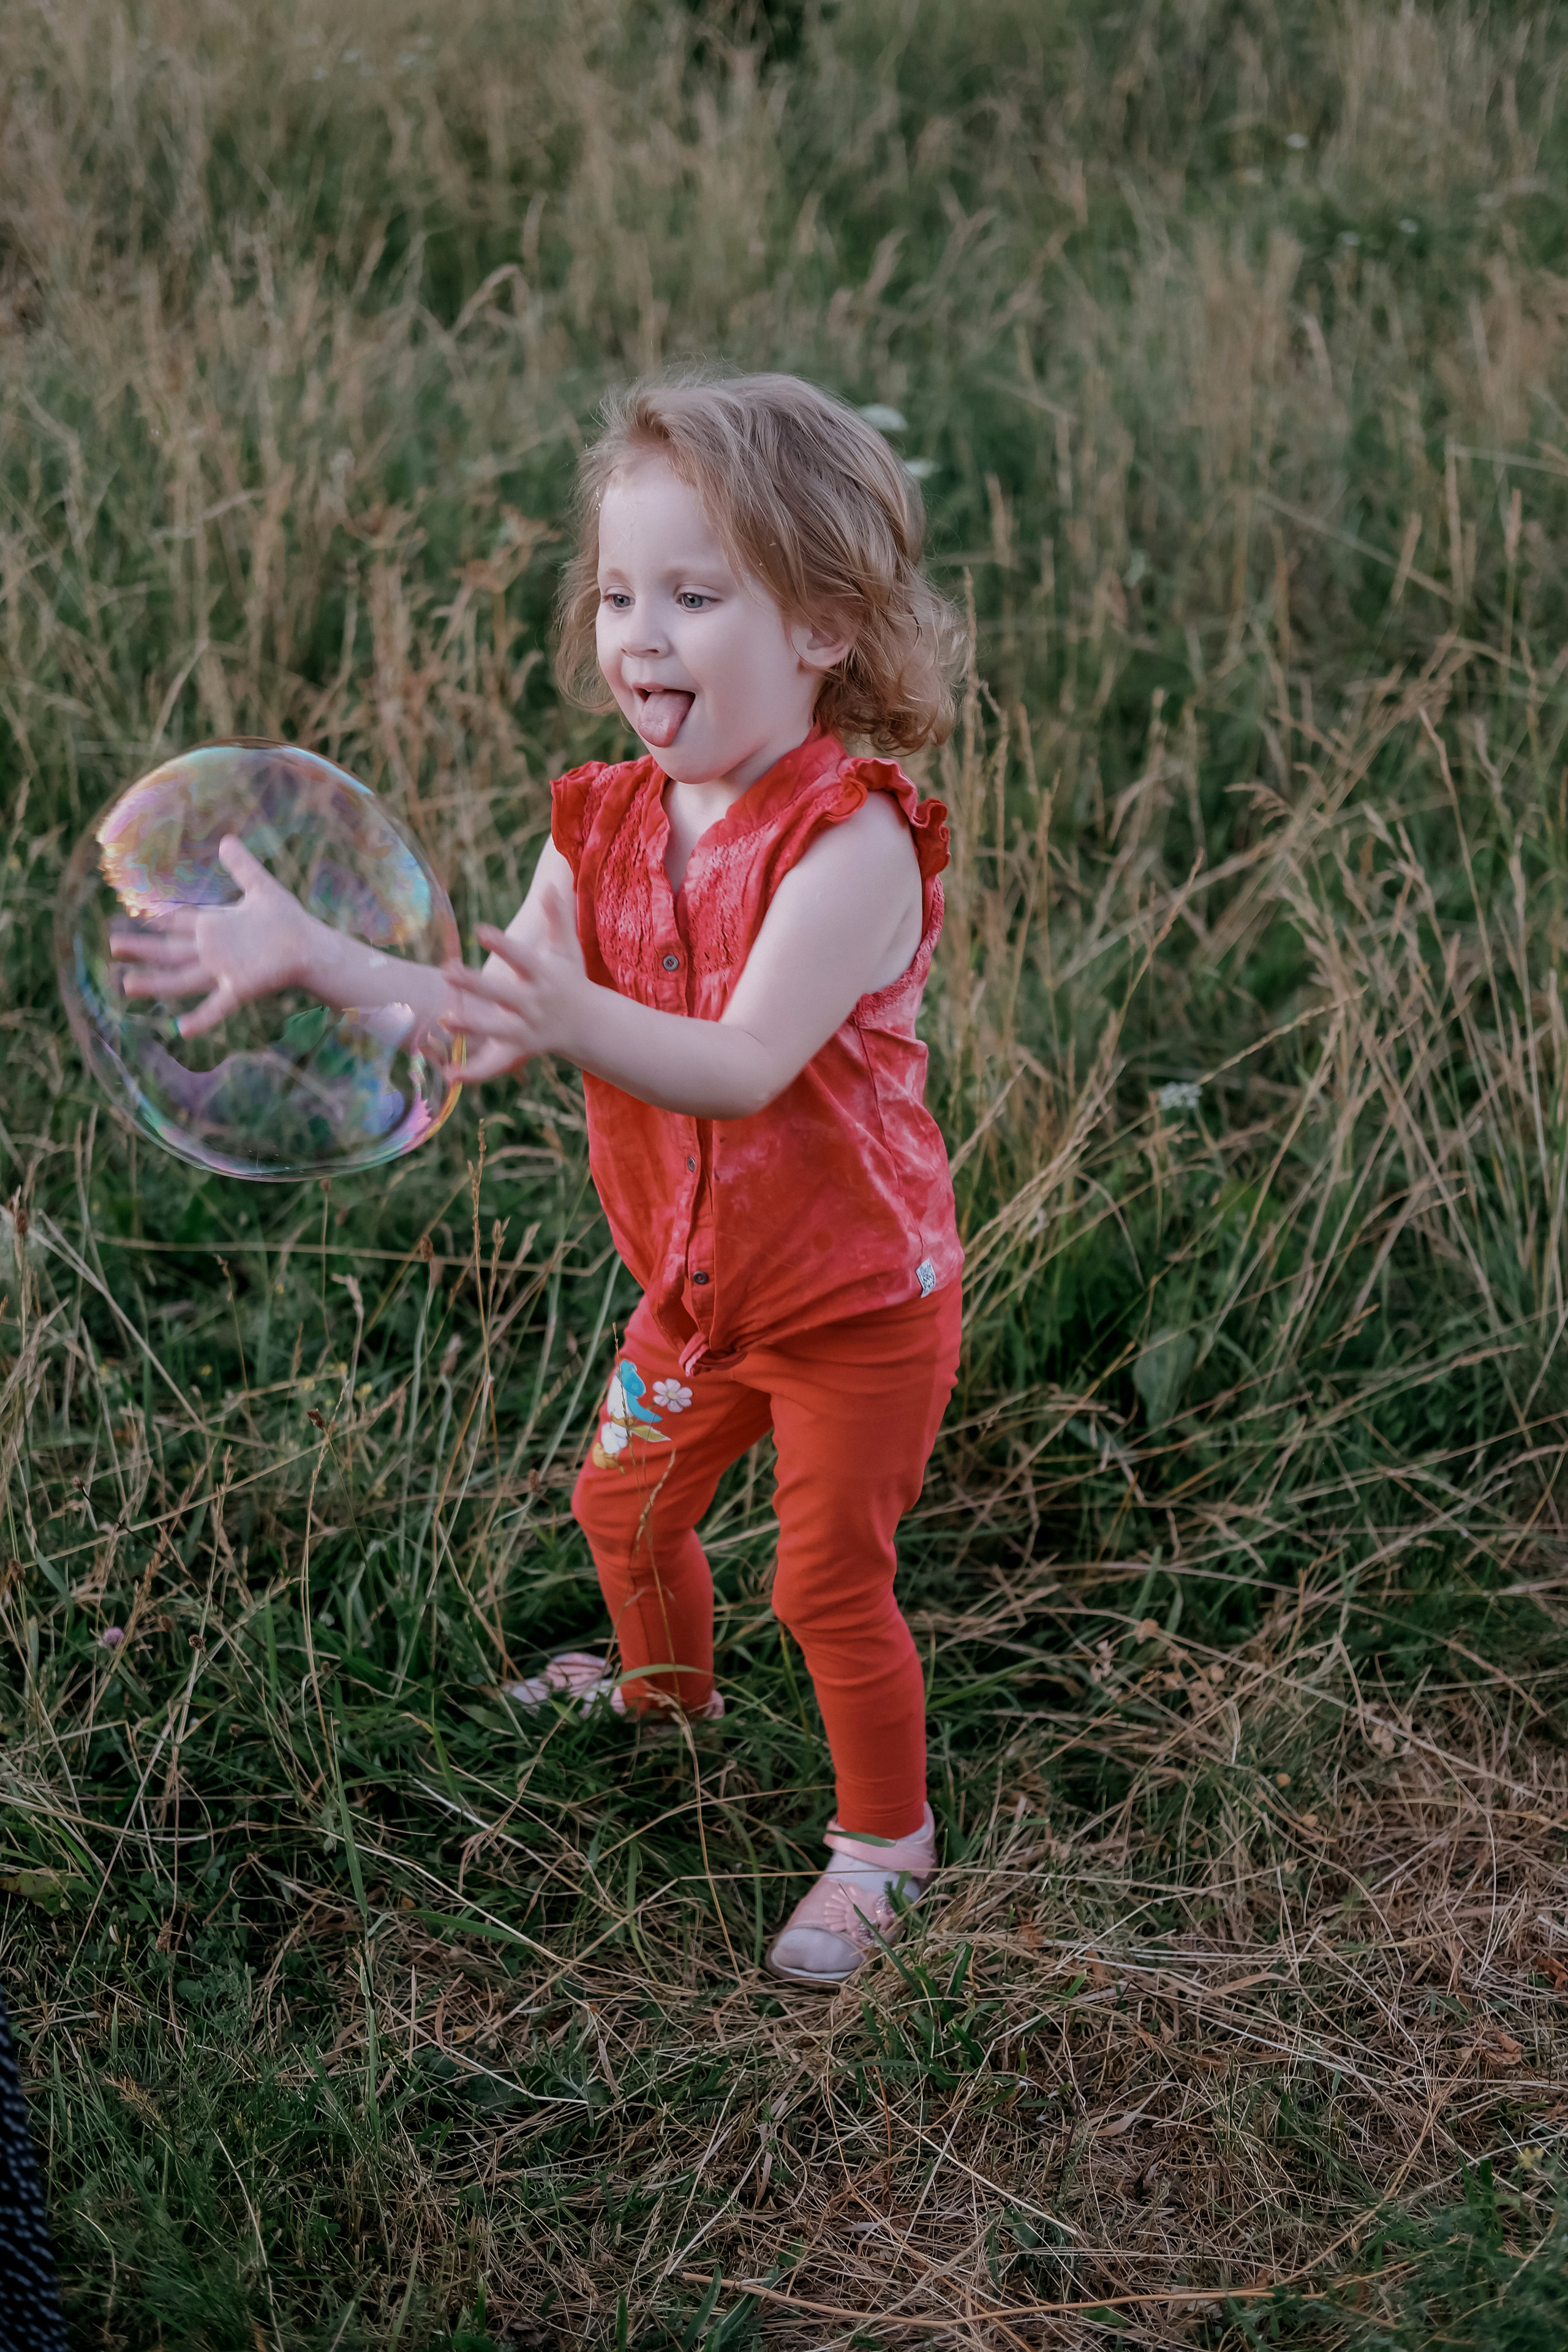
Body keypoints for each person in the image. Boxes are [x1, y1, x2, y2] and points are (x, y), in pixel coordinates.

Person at [110, 373, 966, 1987]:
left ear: (824, 626)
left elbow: (744, 1063)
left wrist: (579, 1014)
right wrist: (311, 953)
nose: (640, 636)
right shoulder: (601, 821)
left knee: (822, 1574)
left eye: (697, 597)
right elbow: (498, 1019)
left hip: (855, 1307)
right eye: (618, 593)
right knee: (622, 1500)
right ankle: (662, 1694)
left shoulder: (847, 848)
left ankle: (884, 1843)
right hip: (698, 1294)